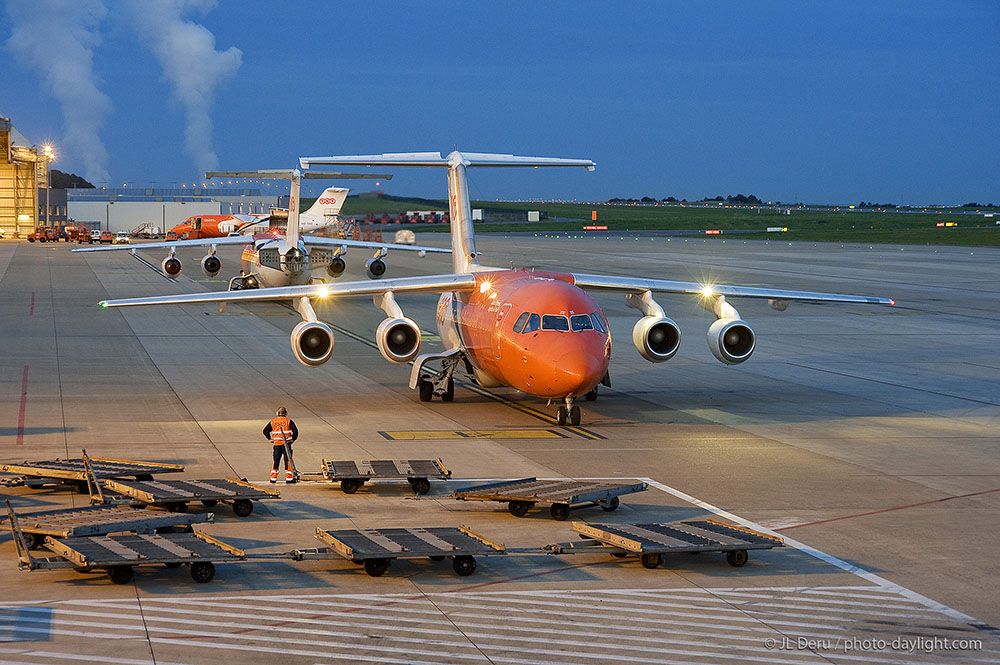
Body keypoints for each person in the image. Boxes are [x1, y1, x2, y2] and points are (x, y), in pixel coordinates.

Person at [263, 407, 298, 483]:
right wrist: (293, 439)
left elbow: (265, 431)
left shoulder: (273, 421)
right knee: (288, 460)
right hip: (287, 444)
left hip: (277, 444)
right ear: (286, 413)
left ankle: (273, 478)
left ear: (277, 413)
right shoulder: (288, 421)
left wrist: (270, 439)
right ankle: (289, 478)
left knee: (276, 461)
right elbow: (295, 432)